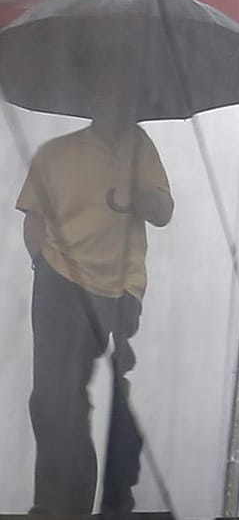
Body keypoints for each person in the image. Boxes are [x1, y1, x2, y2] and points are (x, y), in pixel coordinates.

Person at [16, 77, 173, 519]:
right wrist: (40, 266)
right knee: (51, 397)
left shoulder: (140, 149)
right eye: (108, 94)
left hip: (119, 289)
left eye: (125, 97)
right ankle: (58, 504)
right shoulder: (55, 153)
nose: (117, 105)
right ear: (93, 101)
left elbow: (162, 212)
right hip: (59, 279)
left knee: (107, 399)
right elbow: (34, 216)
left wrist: (134, 188)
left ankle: (108, 501)